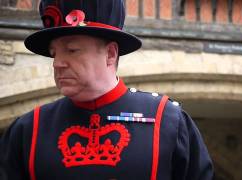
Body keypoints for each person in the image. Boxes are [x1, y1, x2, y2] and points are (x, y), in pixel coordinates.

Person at [0, 0, 214, 180]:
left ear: (110, 54)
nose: (57, 63)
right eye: (54, 52)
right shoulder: (29, 129)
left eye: (72, 50)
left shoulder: (167, 121)